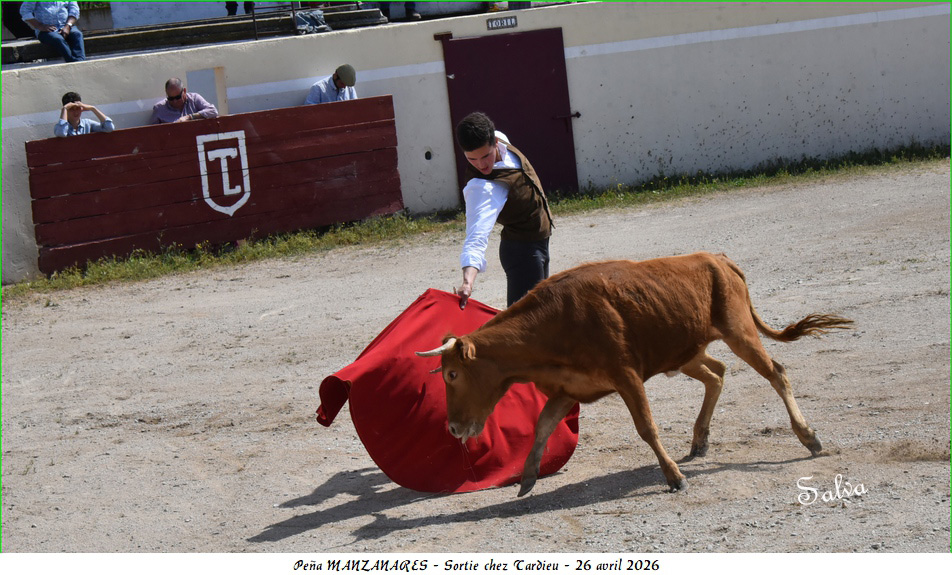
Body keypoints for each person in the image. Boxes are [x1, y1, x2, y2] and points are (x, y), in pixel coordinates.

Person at [455, 111, 554, 309]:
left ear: (495, 142)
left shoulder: (501, 140)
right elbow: (476, 237)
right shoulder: (482, 187)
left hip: (539, 243)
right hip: (523, 254)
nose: (481, 164)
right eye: (472, 159)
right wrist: (467, 282)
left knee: (541, 312)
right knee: (527, 320)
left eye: (486, 155)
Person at [18, 2, 85, 63]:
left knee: (77, 34)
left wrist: (68, 26)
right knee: (58, 39)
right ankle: (72, 63)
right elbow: (25, 10)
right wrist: (40, 26)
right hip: (46, 30)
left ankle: (80, 62)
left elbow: (74, 10)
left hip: (66, 25)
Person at [150, 78, 218, 124]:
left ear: (184, 91)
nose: (175, 101)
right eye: (171, 98)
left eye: (178, 97)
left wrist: (189, 117)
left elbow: (213, 111)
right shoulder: (159, 109)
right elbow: (153, 133)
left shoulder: (194, 99)